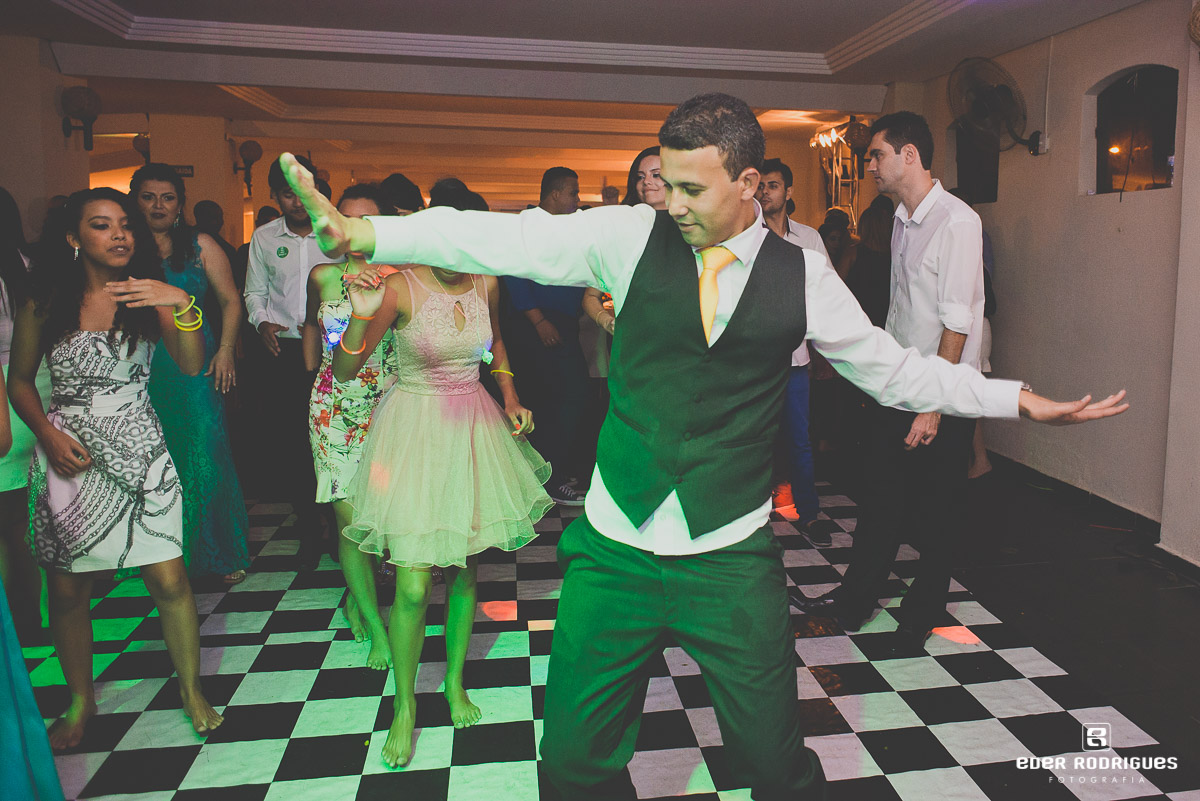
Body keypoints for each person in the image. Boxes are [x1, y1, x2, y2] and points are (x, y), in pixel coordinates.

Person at [278, 92, 1126, 799]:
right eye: (663, 183)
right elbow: (505, 237)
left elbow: (897, 371)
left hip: (729, 556)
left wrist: (1013, 400)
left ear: (748, 180)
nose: (669, 202)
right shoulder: (626, 236)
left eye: (688, 187)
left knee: (775, 764)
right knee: (573, 763)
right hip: (614, 552)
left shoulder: (804, 274)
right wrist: (370, 238)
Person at [332, 195, 551, 768]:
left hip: (472, 425)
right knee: (411, 584)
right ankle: (405, 705)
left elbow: (493, 343)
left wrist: (508, 393)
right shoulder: (401, 286)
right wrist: (360, 311)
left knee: (463, 567)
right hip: (414, 428)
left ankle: (453, 683)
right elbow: (345, 369)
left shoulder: (487, 282)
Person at [8, 188, 224, 749]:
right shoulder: (45, 298)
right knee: (70, 589)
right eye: (102, 225)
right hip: (69, 453)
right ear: (74, 238)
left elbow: (192, 362)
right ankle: (81, 702)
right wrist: (48, 436)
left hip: (141, 444)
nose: (121, 234)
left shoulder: (145, 296)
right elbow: (20, 381)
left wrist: (179, 300)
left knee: (170, 579)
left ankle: (191, 688)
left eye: (124, 224)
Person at [790, 113, 1006, 649]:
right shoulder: (901, 220)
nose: (868, 167)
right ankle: (854, 601)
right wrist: (878, 382)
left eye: (876, 156)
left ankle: (927, 608)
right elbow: (900, 311)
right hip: (902, 383)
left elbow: (959, 322)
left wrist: (932, 404)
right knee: (880, 494)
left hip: (942, 392)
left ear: (909, 155)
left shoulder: (957, 221)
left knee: (936, 504)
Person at [130, 164, 250, 584]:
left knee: (204, 452)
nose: (158, 205)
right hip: (139, 362)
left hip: (195, 360)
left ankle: (217, 552)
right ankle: (153, 554)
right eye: (148, 197)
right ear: (135, 200)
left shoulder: (200, 245)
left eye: (167, 197)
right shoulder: (124, 247)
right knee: (150, 457)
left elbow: (232, 301)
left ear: (180, 204)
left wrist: (226, 352)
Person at [303, 183, 398, 669]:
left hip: (392, 406)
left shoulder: (402, 280)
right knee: (349, 518)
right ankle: (375, 625)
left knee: (385, 518)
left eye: (368, 221)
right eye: (348, 219)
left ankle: (359, 598)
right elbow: (310, 327)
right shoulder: (322, 276)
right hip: (334, 407)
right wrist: (309, 371)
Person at [244, 155, 330, 567]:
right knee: (296, 442)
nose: (296, 203)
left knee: (333, 438)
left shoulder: (335, 235)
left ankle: (338, 524)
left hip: (333, 348)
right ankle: (309, 528)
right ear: (276, 196)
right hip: (284, 351)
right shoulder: (263, 237)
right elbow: (253, 293)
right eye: (286, 194)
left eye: (302, 194)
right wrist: (261, 322)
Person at [503, 167, 587, 505]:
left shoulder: (564, 228)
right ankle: (547, 479)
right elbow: (514, 273)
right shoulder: (528, 225)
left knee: (562, 400)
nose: (577, 201)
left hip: (561, 323)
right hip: (539, 324)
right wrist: (538, 320)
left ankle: (546, 477)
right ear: (556, 193)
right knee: (562, 399)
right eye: (573, 193)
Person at [757, 158, 831, 543]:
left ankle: (810, 512)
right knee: (753, 439)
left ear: (788, 192)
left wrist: (824, 350)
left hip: (796, 360)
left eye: (772, 185)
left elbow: (825, 291)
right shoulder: (744, 236)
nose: (765, 192)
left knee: (799, 438)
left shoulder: (810, 238)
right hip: (752, 362)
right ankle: (750, 517)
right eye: (761, 185)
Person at [0, 187, 51, 636]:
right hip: (38, 386)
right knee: (22, 517)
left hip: (7, 392)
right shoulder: (30, 268)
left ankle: (17, 621)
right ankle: (30, 615)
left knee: (8, 519)